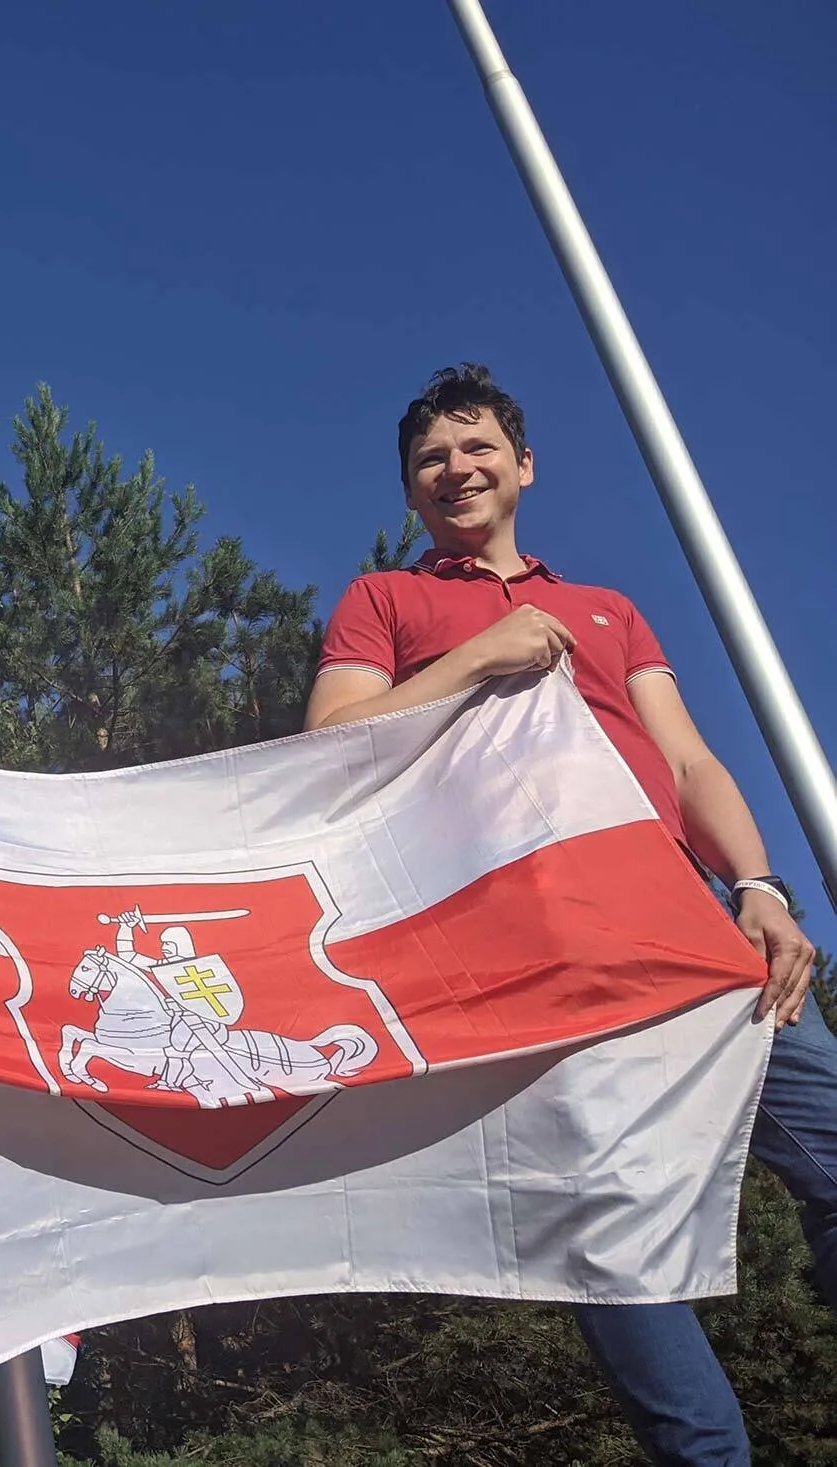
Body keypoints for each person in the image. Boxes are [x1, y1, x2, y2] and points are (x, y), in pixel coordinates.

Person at [306, 362, 831, 1466]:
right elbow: (330, 753)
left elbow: (686, 760)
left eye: (477, 446)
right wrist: (477, 657)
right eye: (431, 459)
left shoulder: (607, 608)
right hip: (531, 941)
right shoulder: (387, 602)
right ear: (410, 493)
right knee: (614, 1230)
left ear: (523, 466)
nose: (456, 468)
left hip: (690, 924)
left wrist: (758, 887)